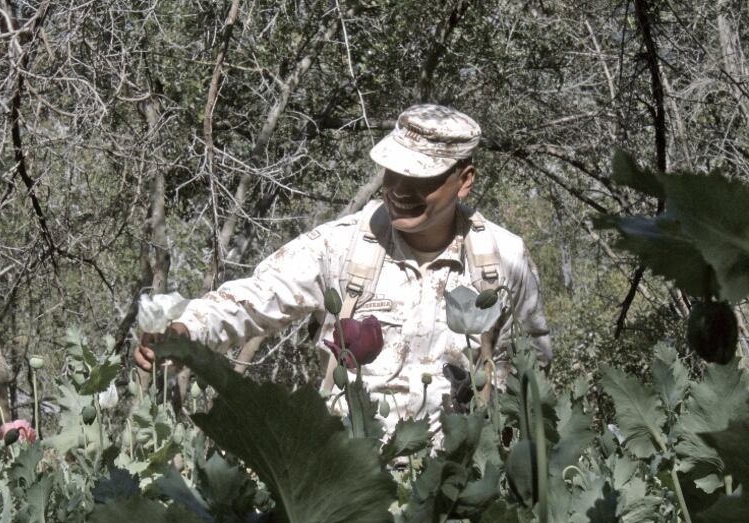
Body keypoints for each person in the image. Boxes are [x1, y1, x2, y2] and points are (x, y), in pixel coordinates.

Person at [135, 104, 551, 432]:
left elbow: (532, 369)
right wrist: (187, 333)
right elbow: (255, 298)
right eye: (393, 172)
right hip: (357, 474)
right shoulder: (341, 245)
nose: (400, 190)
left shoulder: (504, 259)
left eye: (421, 179)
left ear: (465, 180)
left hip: (462, 479)